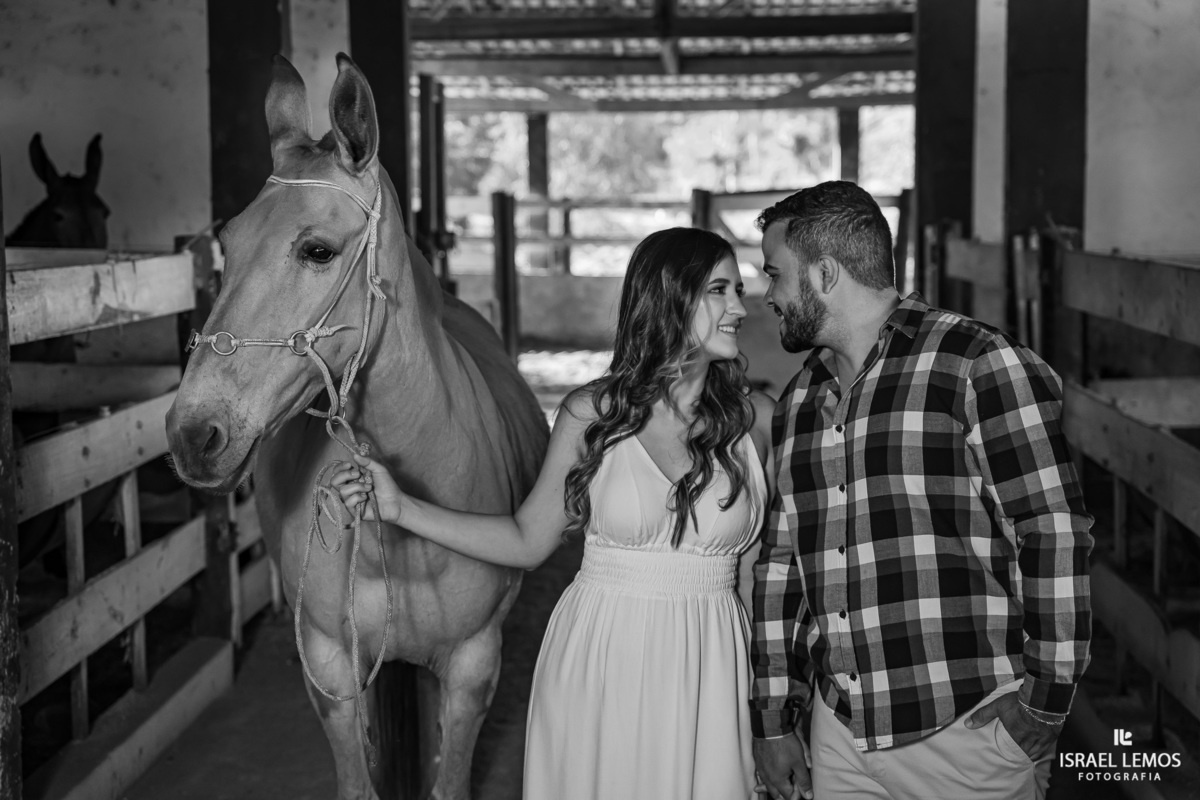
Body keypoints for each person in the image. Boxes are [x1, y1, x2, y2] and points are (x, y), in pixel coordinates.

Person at [332, 227, 776, 800]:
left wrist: (768, 696)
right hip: (603, 653)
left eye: (740, 289)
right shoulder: (591, 416)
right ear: (670, 297)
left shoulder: (756, 421)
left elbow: (756, 573)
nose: (741, 307)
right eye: (720, 290)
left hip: (713, 661)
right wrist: (401, 508)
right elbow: (527, 539)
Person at [749, 181, 1093, 800]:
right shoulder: (801, 398)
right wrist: (774, 720)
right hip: (841, 735)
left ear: (825, 273)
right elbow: (782, 566)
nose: (766, 294)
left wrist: (1045, 700)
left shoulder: (978, 363)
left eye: (774, 274)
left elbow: (1052, 530)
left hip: (965, 731)